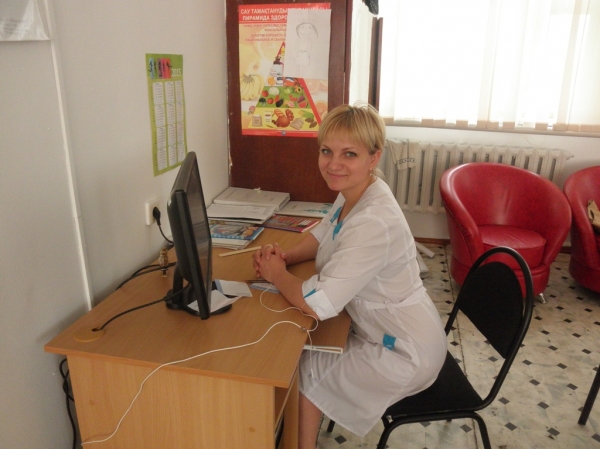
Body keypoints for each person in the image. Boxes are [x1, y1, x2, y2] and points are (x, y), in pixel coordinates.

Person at [252, 103, 447, 449]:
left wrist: (277, 274)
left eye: (349, 154)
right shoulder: (356, 192)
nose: (333, 164)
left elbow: (318, 303)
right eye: (326, 151)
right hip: (385, 329)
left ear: (374, 157)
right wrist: (286, 257)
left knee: (305, 370)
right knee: (304, 354)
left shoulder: (373, 220)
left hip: (404, 351)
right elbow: (324, 234)